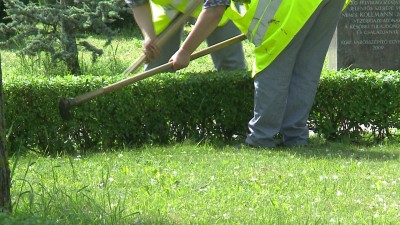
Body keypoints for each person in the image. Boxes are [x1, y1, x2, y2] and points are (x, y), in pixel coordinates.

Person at [169, 0, 350, 148]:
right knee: (306, 68)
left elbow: (215, 10)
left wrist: (185, 51)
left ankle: (261, 139)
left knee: (272, 67)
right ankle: (295, 138)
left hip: (290, 6)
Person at [125, 0, 246, 71]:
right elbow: (138, 2)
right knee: (156, 68)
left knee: (230, 68)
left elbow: (215, 10)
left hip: (214, 8)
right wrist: (149, 37)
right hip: (168, 7)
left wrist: (185, 51)